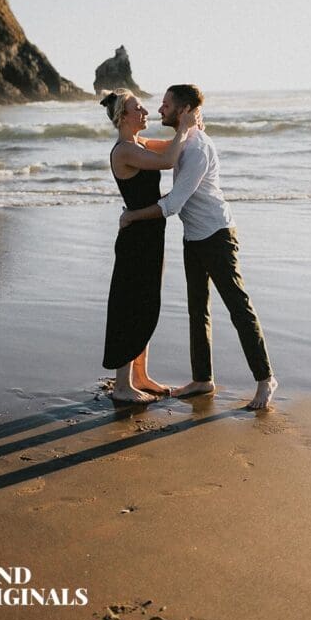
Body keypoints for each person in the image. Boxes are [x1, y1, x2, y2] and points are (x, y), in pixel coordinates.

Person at [119, 84, 277, 410]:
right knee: (197, 309)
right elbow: (147, 149)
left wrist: (133, 215)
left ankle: (265, 379)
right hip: (194, 237)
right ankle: (203, 379)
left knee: (238, 308)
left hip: (217, 235)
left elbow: (174, 203)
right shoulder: (182, 143)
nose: (160, 110)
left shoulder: (197, 149)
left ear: (184, 109)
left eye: (166, 105)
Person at [100, 89, 199, 404]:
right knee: (130, 307)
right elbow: (169, 160)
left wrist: (191, 127)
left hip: (149, 235)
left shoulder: (138, 144)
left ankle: (140, 377)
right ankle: (122, 386)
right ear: (123, 117)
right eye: (138, 108)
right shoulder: (124, 151)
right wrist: (183, 127)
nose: (145, 112)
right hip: (136, 240)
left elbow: (173, 149)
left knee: (146, 304)